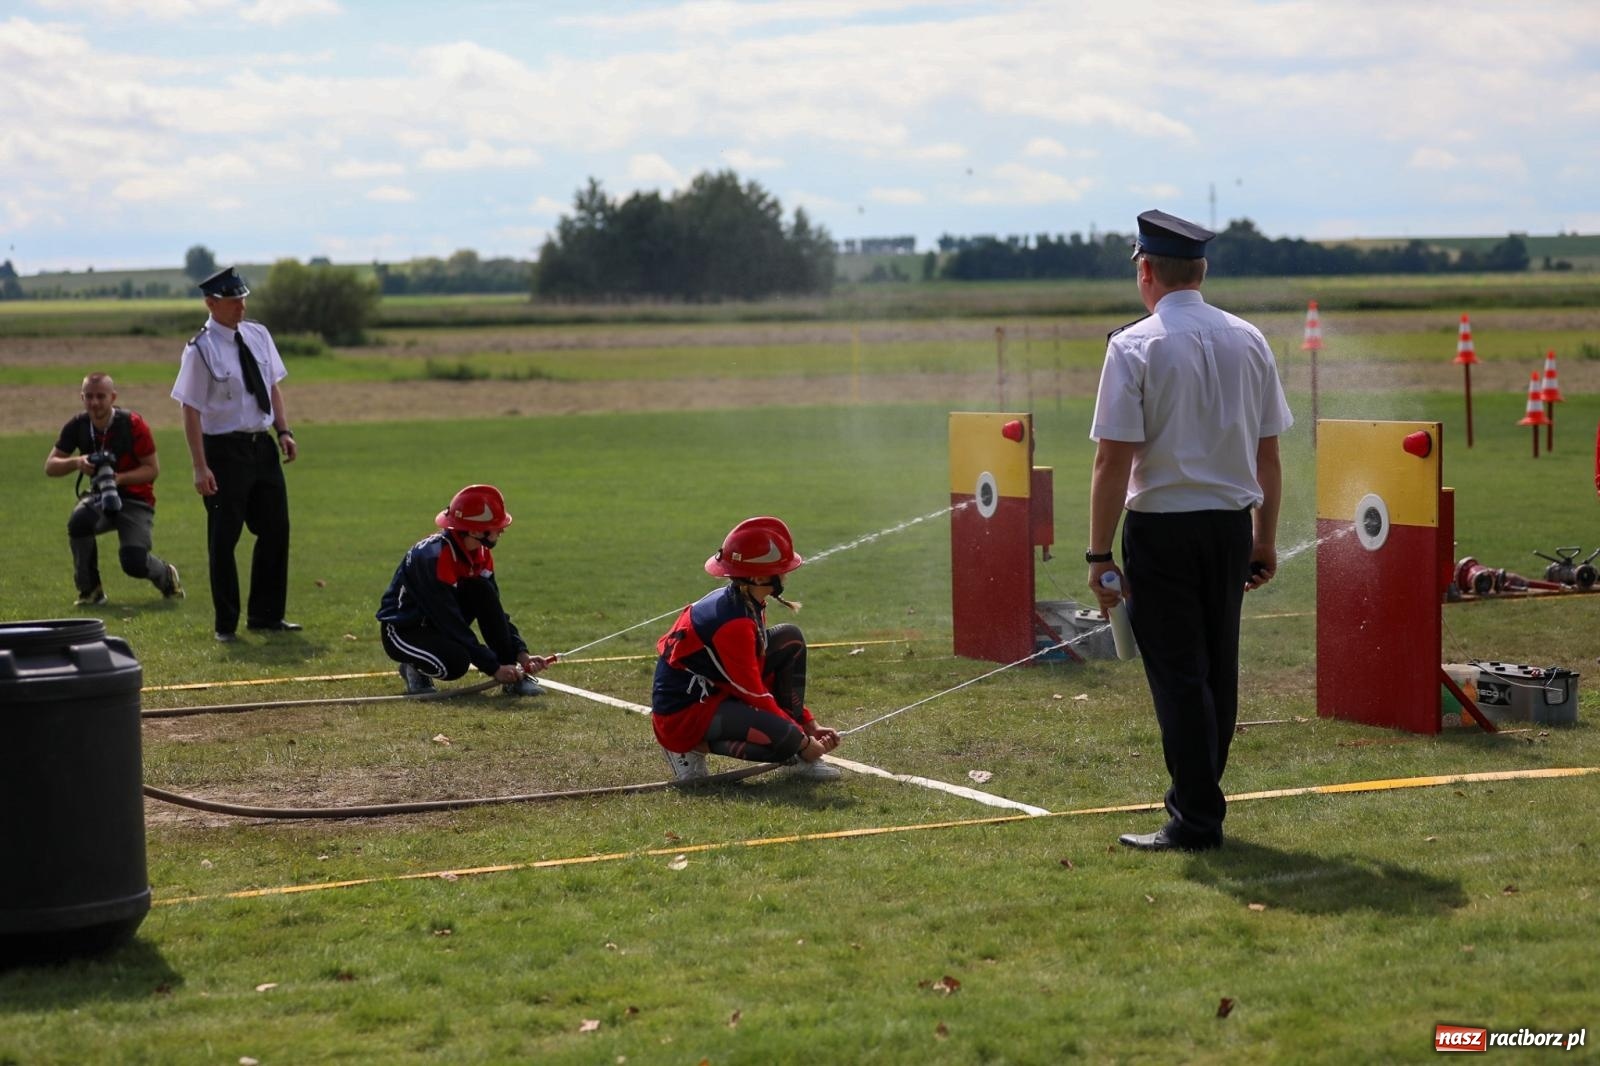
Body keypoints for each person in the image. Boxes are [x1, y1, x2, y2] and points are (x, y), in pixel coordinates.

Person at [1087, 209, 1293, 852]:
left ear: (1145, 270)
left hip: (1162, 532)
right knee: (1216, 673)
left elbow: (1112, 460)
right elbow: (1268, 455)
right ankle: (1199, 804)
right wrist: (1263, 537)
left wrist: (1098, 554)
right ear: (1200, 272)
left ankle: (1196, 818)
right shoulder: (1249, 338)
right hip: (1229, 529)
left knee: (1178, 677)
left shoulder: (1133, 345)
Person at [651, 516, 842, 783]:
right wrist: (802, 741)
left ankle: (797, 749)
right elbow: (754, 692)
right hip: (686, 715)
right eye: (781, 568)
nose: (786, 574)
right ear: (759, 576)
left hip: (718, 693)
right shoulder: (734, 624)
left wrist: (809, 725)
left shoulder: (747, 602)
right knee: (785, 741)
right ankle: (688, 747)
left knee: (790, 639)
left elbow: (758, 670)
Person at [170, 266, 299, 643]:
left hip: (262, 446)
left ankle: (267, 616)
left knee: (276, 530)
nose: (241, 306)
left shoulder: (258, 334)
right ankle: (225, 624)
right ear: (211, 303)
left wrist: (284, 430)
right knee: (224, 539)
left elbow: (271, 386)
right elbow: (190, 409)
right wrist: (200, 466)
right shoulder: (200, 350)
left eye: (243, 299)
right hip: (224, 452)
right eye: (233, 301)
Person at [377, 485, 554, 697]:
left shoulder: (481, 553)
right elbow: (450, 621)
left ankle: (515, 679)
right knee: (455, 663)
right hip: (404, 630)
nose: (502, 530)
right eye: (496, 526)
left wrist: (520, 655)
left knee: (482, 590)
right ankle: (414, 667)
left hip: (440, 623)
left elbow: (495, 612)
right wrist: (493, 668)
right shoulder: (434, 558)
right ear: (475, 531)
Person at [44, 372, 183, 605]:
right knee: (78, 523)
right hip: (100, 497)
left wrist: (119, 479)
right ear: (82, 397)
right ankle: (90, 591)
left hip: (136, 500)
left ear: (113, 397)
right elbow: (50, 466)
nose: (94, 402)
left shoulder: (133, 424)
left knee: (133, 562)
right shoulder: (78, 425)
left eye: (101, 396)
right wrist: (77, 462)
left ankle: (166, 575)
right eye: (89, 396)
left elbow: (152, 469)